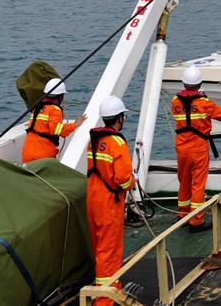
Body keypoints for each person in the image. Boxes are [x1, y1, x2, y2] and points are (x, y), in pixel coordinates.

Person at [172, 65, 221, 232]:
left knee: (184, 181)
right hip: (198, 148)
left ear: (183, 83)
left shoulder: (175, 102)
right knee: (198, 184)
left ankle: (183, 214)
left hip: (181, 148)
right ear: (199, 83)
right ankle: (196, 221)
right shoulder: (204, 103)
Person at [86, 96, 135, 306]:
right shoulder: (117, 142)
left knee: (98, 246)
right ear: (120, 118)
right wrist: (133, 181)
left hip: (93, 198)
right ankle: (104, 300)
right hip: (109, 203)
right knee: (109, 250)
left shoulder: (94, 140)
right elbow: (123, 178)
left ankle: (110, 286)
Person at [21, 78, 87, 163]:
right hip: (43, 156)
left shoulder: (38, 107)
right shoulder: (55, 109)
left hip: (27, 154)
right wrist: (75, 125)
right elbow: (56, 129)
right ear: (60, 96)